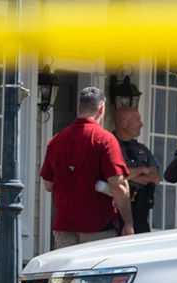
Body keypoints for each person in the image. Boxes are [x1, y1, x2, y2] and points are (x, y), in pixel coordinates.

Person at [40, 86, 134, 248]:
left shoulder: (56, 140)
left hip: (64, 225)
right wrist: (128, 222)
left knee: (65, 272)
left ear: (79, 108)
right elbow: (117, 184)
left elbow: (48, 185)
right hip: (97, 225)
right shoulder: (105, 139)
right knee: (96, 272)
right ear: (101, 109)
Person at [112, 106, 160, 233]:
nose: (141, 124)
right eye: (137, 120)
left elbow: (155, 179)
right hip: (115, 216)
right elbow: (112, 178)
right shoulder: (109, 147)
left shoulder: (141, 149)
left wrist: (127, 176)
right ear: (124, 123)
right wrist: (141, 170)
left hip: (141, 214)